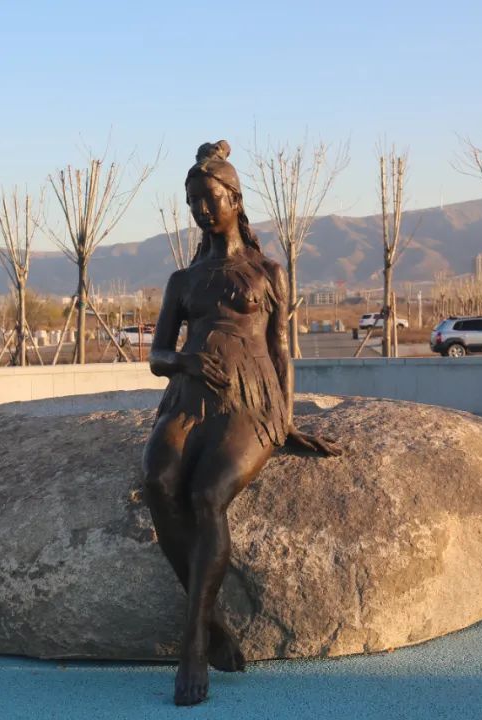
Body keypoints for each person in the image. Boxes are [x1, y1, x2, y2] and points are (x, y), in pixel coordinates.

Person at [142, 140, 340, 706]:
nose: (201, 210)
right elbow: (157, 355)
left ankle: (193, 642)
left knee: (206, 496)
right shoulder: (183, 280)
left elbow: (281, 350)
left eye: (210, 199)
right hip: (188, 398)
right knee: (158, 481)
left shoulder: (268, 272)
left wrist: (285, 419)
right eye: (193, 202)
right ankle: (213, 620)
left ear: (235, 199)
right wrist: (184, 362)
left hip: (249, 401)